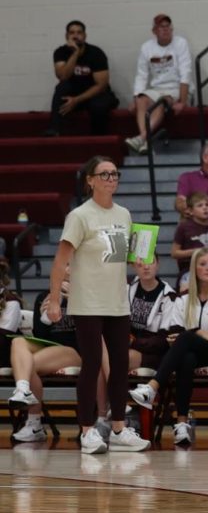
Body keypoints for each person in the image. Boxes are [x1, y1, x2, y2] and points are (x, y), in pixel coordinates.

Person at [45, 156, 151, 453]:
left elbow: (121, 254)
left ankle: (118, 428)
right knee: (91, 365)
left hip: (117, 302)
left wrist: (137, 260)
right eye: (104, 174)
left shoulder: (124, 214)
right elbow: (60, 261)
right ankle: (88, 431)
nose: (111, 179)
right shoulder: (80, 216)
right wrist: (55, 300)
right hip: (87, 302)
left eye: (114, 173)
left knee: (119, 365)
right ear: (90, 180)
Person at [127, 248, 208, 446]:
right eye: (202, 264)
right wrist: (200, 332)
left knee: (185, 340)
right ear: (194, 269)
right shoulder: (183, 298)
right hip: (191, 352)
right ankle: (182, 424)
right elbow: (173, 333)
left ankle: (153, 387)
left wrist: (195, 333)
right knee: (186, 358)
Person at [8, 275, 85, 444]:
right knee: (18, 341)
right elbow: (40, 335)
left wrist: (77, 301)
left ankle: (34, 423)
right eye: (64, 265)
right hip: (49, 347)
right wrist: (45, 318)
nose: (67, 270)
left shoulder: (87, 295)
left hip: (76, 350)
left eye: (71, 264)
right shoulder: (43, 297)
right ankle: (23, 389)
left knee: (26, 365)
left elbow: (90, 333)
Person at [126, 14, 192, 155]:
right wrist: (135, 99)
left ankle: (142, 139)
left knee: (161, 102)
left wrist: (183, 101)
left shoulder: (181, 43)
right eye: (161, 27)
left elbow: (185, 72)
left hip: (175, 89)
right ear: (154, 31)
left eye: (168, 26)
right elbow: (141, 75)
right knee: (140, 100)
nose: (165, 29)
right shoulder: (146, 47)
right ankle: (145, 142)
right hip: (156, 88)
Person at [48, 20, 117, 136]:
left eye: (79, 33)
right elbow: (63, 76)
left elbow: (101, 85)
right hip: (73, 91)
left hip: (94, 93)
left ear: (85, 36)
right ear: (66, 36)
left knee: (99, 106)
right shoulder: (60, 52)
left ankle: (98, 139)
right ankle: (55, 130)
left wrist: (77, 100)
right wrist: (75, 54)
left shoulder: (96, 53)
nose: (75, 36)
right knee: (61, 87)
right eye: (72, 33)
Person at [123, 258, 176, 375]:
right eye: (141, 263)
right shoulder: (127, 289)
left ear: (158, 264)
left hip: (155, 353)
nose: (146, 267)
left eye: (150, 262)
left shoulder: (169, 296)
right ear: (134, 266)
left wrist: (133, 343)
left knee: (122, 358)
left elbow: (164, 341)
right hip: (129, 344)